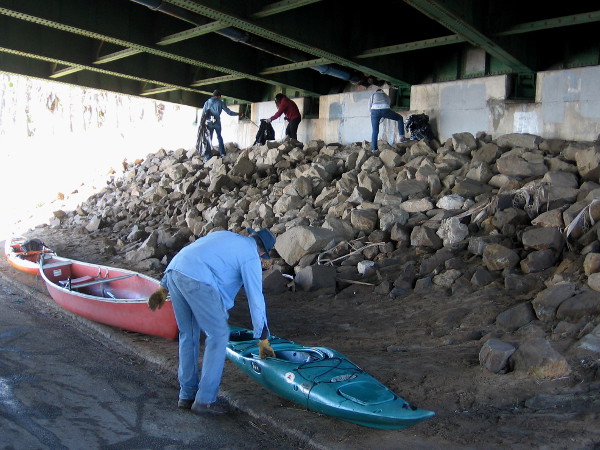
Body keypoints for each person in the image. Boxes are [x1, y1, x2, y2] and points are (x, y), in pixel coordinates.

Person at [148, 228, 277, 415]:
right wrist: (263, 337)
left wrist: (163, 287)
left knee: (188, 335)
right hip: (197, 280)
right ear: (263, 252)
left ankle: (186, 395)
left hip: (174, 272)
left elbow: (193, 253)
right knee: (218, 335)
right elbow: (255, 298)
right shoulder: (251, 256)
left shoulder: (224, 236)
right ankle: (205, 400)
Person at [202, 90, 239, 160]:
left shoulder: (207, 102)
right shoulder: (220, 102)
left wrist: (202, 123)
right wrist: (238, 114)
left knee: (209, 139)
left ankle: (208, 157)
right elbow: (229, 112)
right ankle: (222, 153)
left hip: (209, 123)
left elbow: (203, 114)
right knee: (219, 137)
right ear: (219, 96)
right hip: (217, 123)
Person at [368, 88, 406, 153]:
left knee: (375, 131)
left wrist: (374, 115)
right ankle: (401, 136)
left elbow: (369, 106)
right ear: (382, 91)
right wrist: (384, 115)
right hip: (385, 110)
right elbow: (388, 104)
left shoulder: (373, 95)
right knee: (400, 118)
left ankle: (374, 149)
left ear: (376, 91)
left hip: (374, 111)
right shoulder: (386, 95)